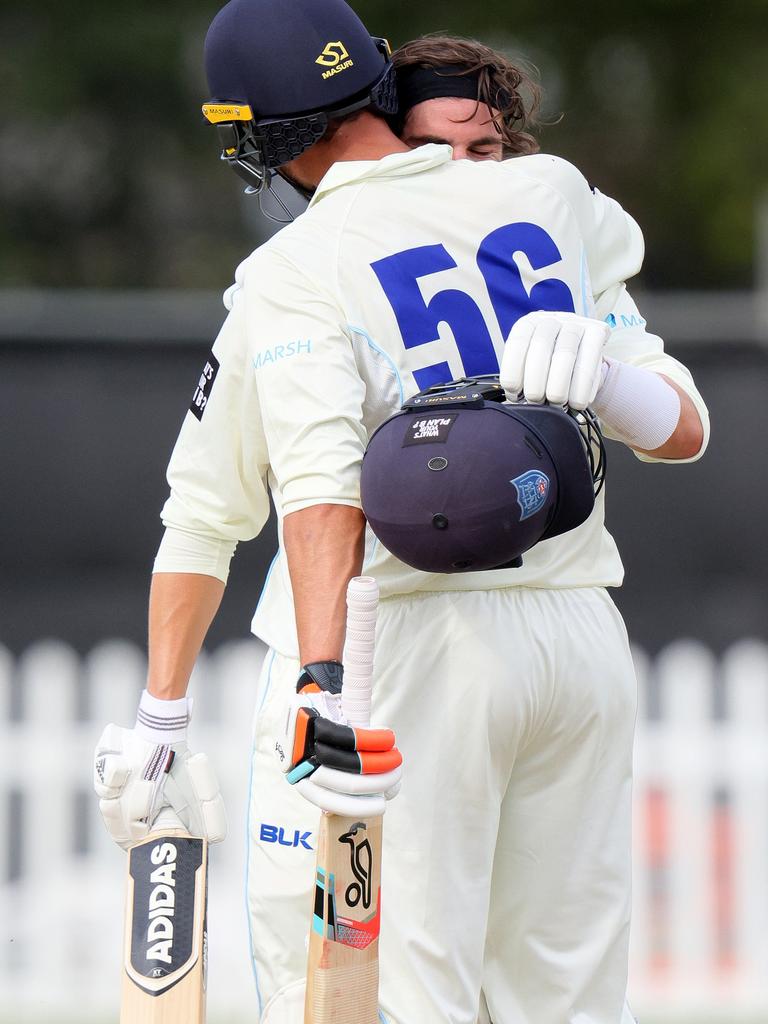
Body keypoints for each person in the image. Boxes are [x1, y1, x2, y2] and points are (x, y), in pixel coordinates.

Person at [93, 5, 709, 1024]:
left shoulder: (292, 272)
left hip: (404, 654)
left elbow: (285, 497)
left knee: (396, 1002)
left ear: (259, 138)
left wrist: (299, 688)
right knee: (566, 1004)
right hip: (581, 650)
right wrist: (610, 377)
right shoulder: (551, 192)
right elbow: (678, 427)